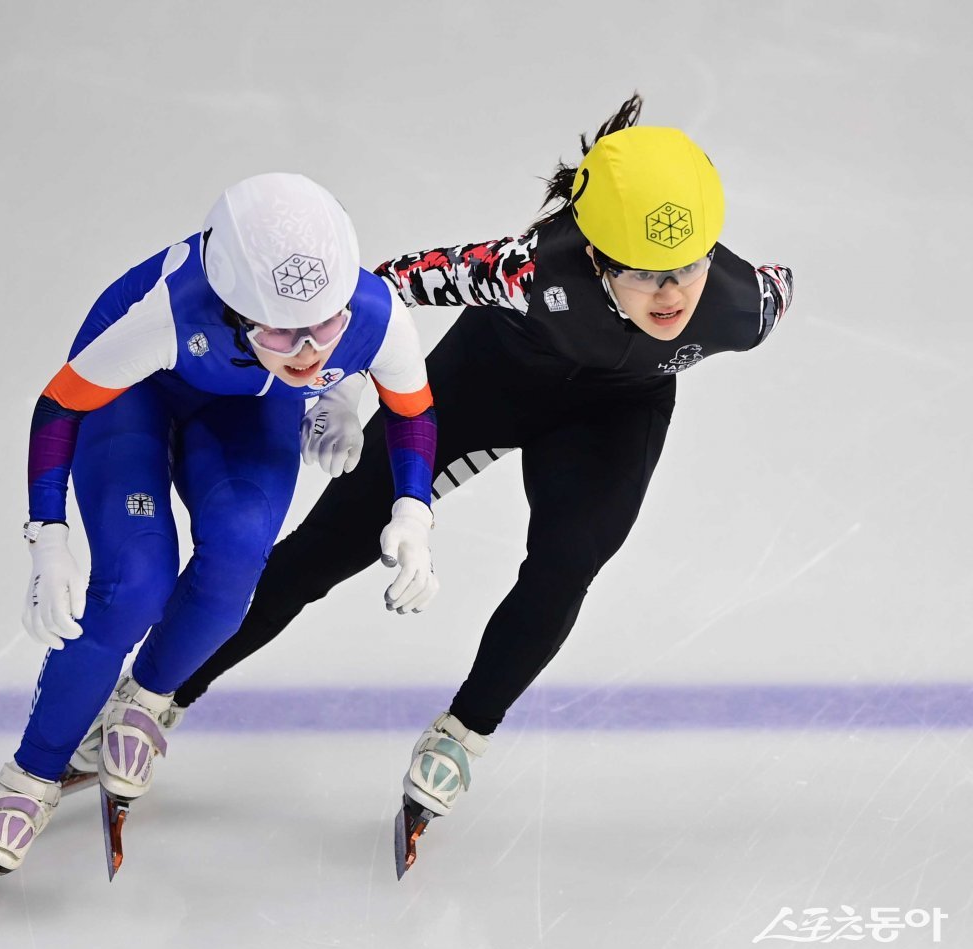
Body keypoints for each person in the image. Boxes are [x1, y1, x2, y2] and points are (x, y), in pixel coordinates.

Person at [146, 94, 795, 866]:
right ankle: (159, 695)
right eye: (645, 273)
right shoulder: (526, 270)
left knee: (565, 565)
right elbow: (381, 288)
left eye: (688, 266)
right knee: (322, 550)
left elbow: (780, 281)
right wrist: (343, 384)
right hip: (489, 380)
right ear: (594, 256)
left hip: (611, 418)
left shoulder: (742, 305)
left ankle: (463, 733)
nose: (674, 294)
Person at [0, 172, 440, 912]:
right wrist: (47, 538)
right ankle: (31, 775)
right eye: (282, 333)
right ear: (233, 307)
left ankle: (145, 701)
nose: (308, 353)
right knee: (133, 585)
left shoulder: (371, 312)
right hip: (134, 396)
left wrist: (413, 511)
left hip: (247, 404)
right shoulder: (169, 312)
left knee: (239, 556)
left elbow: (414, 410)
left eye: (325, 328)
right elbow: (59, 405)